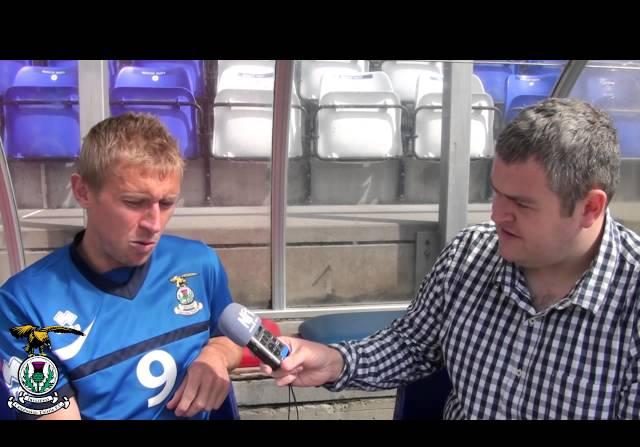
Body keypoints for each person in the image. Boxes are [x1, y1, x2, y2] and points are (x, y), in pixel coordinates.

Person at [264, 97, 640, 419]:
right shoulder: (470, 255)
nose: (496, 215)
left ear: (590, 207)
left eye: (522, 204)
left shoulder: (631, 302)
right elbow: (411, 344)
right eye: (496, 193)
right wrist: (335, 361)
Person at [0, 113, 243, 419]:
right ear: (82, 192)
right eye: (134, 202)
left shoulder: (199, 264)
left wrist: (216, 354)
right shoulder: (22, 305)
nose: (154, 224)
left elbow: (230, 337)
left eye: (166, 203)